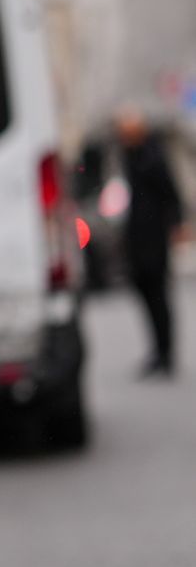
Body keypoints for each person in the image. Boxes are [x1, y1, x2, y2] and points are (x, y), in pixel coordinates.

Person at [115, 109, 185, 376]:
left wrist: (177, 226)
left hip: (154, 239)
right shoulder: (129, 157)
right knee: (145, 295)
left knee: (159, 296)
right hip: (136, 238)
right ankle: (157, 351)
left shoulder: (152, 157)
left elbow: (171, 193)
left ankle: (166, 353)